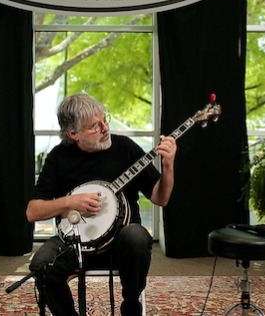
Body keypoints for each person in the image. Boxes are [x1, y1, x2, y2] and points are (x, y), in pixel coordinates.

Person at [26, 93, 178, 316]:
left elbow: (160, 198)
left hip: (120, 245)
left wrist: (169, 166)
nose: (105, 128)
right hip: (74, 244)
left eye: (104, 120)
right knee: (42, 264)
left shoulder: (125, 148)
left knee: (136, 236)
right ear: (73, 134)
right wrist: (70, 202)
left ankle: (131, 305)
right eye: (94, 127)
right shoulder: (59, 157)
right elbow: (32, 212)